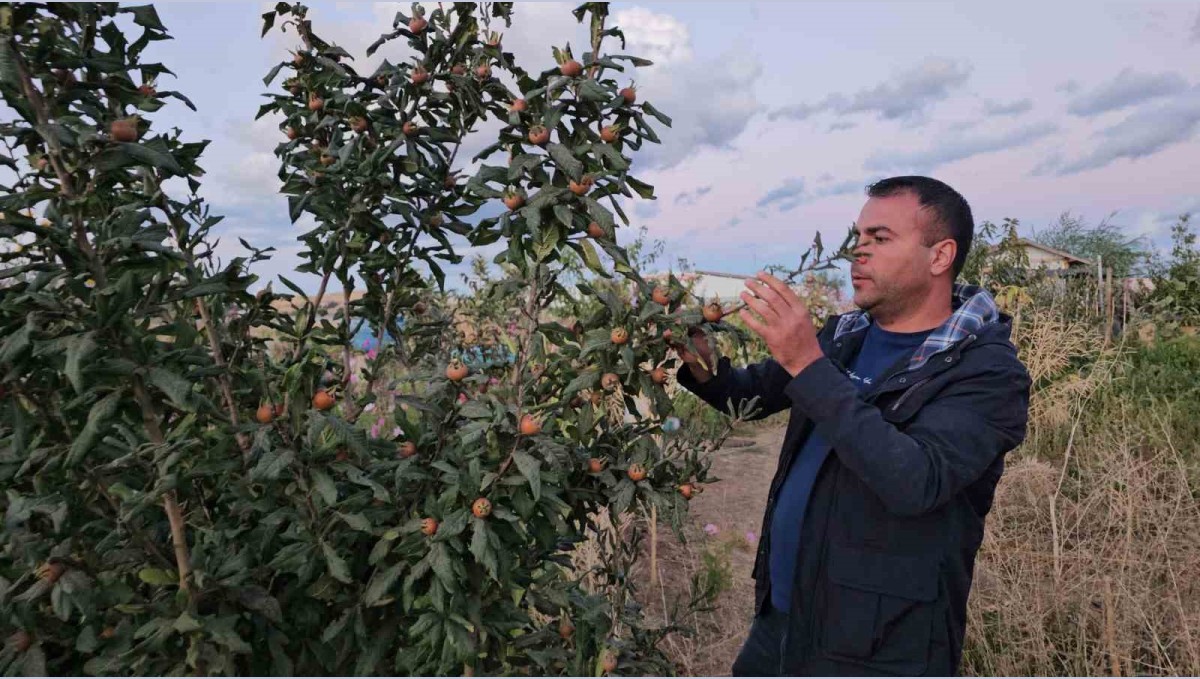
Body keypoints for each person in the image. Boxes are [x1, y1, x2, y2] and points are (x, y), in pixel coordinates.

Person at [672, 176, 1031, 676]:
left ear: (940, 256)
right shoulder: (845, 336)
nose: (856, 253)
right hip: (782, 623)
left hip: (879, 650)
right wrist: (698, 363)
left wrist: (807, 363)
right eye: (857, 237)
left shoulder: (986, 372)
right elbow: (749, 398)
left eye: (879, 239)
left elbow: (916, 480)